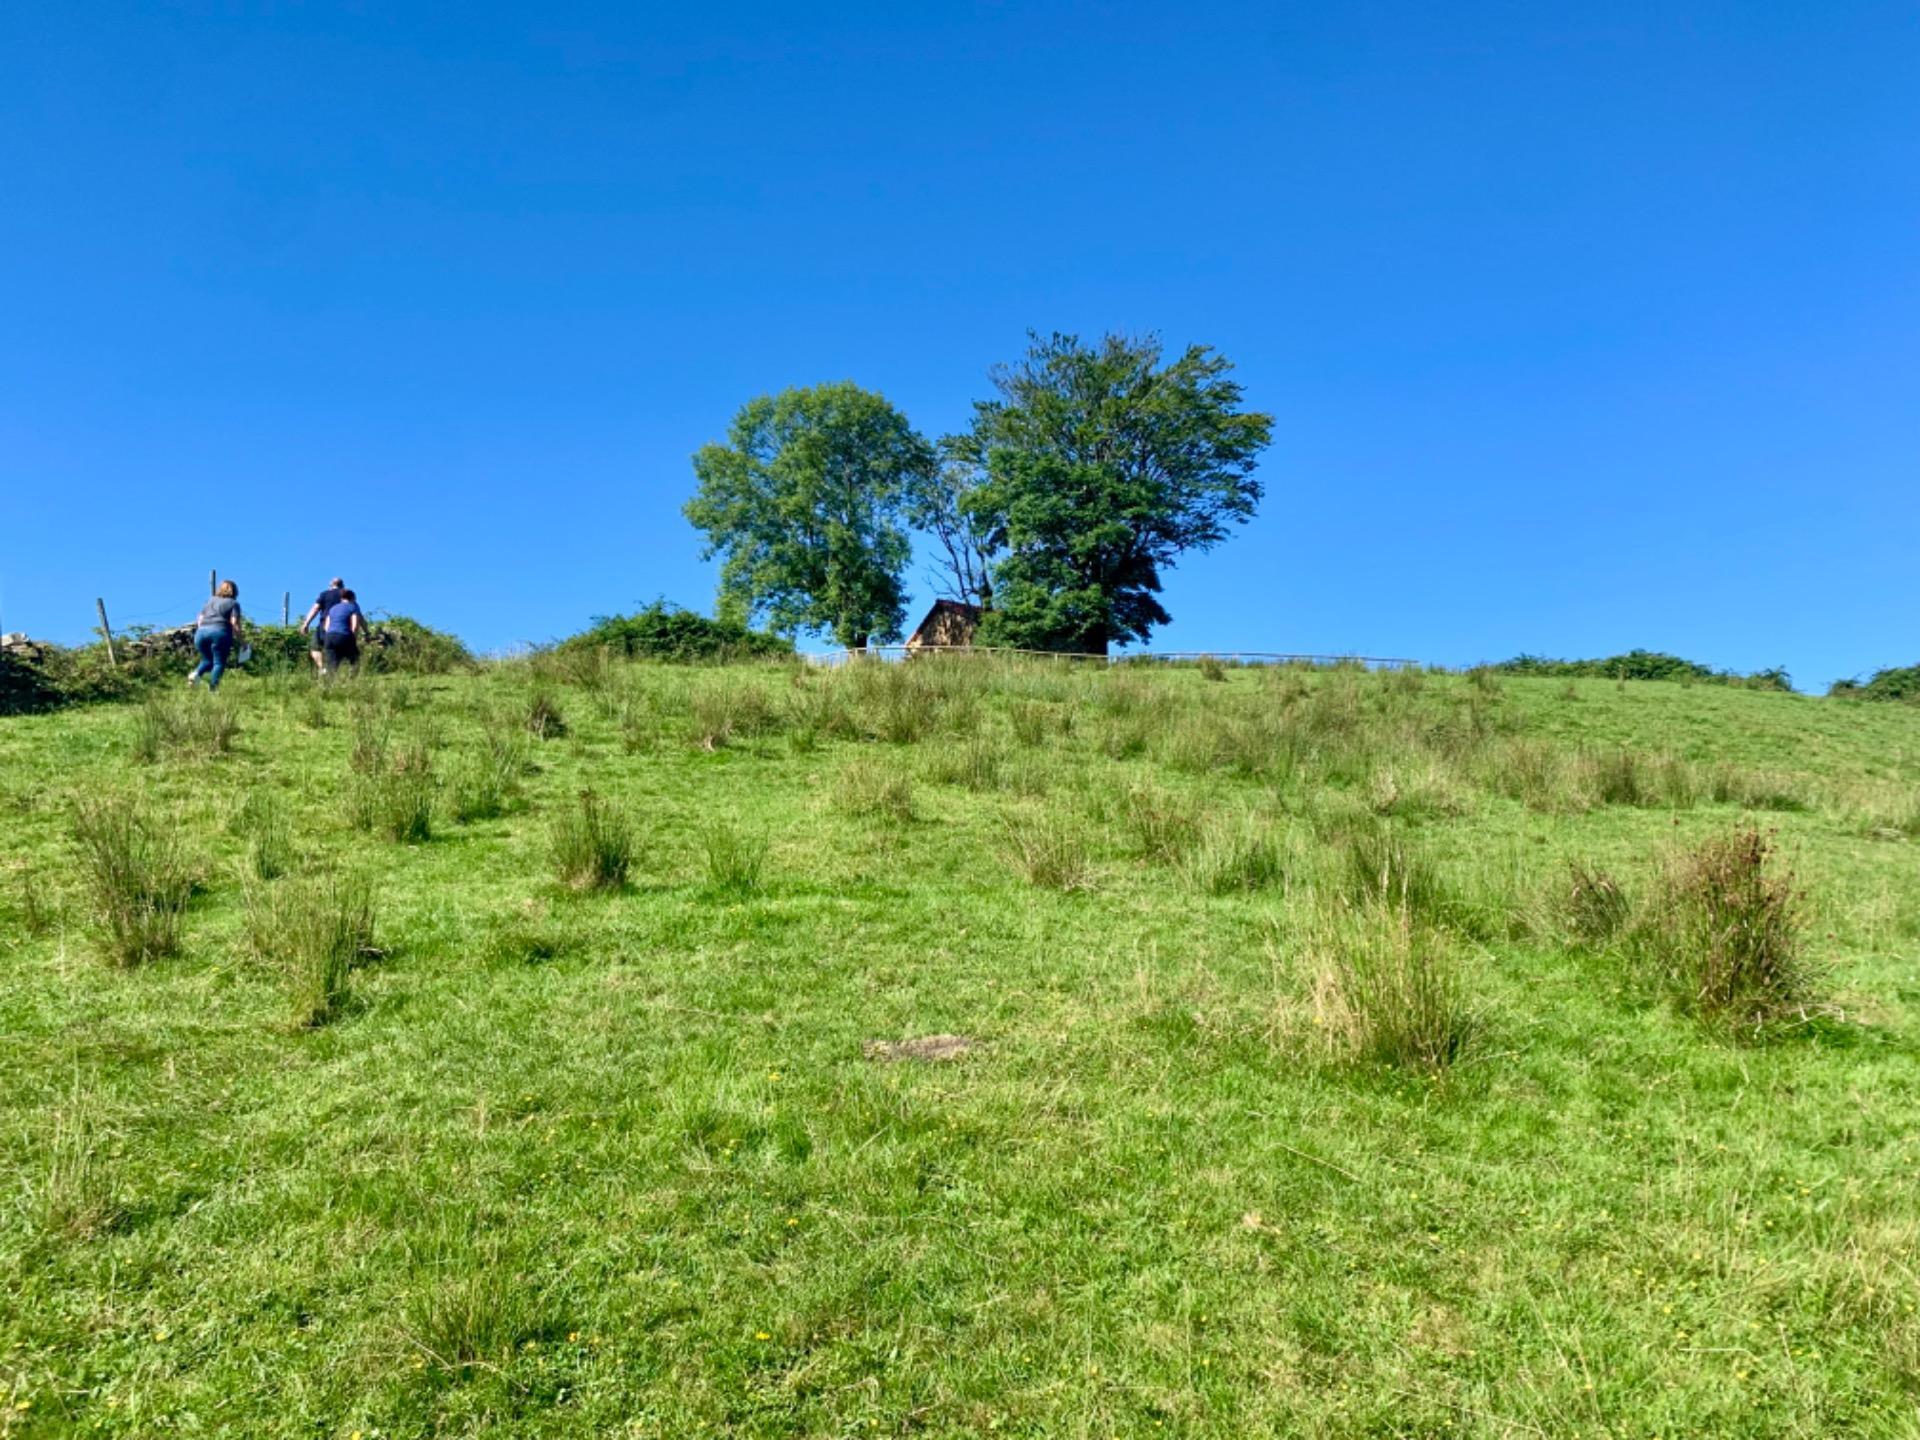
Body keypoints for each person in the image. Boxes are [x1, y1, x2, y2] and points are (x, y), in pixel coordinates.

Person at [187, 580, 245, 691]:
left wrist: (203, 630)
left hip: (201, 633)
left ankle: (196, 674)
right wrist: (242, 641)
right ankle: (213, 689)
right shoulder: (233, 603)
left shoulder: (210, 600)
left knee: (207, 660)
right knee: (219, 662)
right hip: (220, 633)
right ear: (235, 592)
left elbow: (200, 619)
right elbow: (234, 623)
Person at [298, 577, 346, 673]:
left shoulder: (325, 594)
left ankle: (322, 669)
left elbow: (315, 608)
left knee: (315, 647)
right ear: (342, 585)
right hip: (342, 626)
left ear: (331, 585)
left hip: (325, 625)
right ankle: (333, 671)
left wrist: (306, 623)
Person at [320, 588, 366, 677]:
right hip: (344, 635)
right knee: (355, 659)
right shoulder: (353, 607)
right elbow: (355, 626)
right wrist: (354, 638)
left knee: (332, 663)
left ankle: (329, 682)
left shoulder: (333, 608)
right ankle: (352, 679)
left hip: (329, 637)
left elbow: (326, 627)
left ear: (341, 598)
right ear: (353, 598)